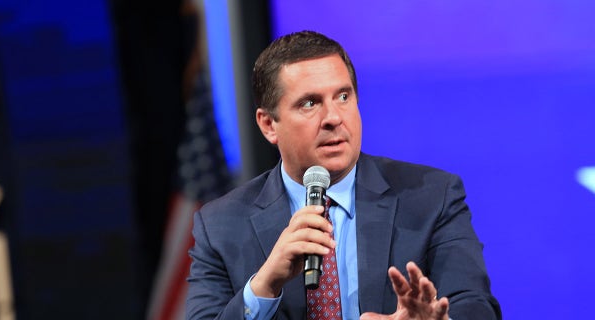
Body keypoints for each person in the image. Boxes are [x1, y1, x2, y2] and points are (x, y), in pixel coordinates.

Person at [185, 30, 501, 320]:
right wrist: (264, 286)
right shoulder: (220, 225)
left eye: (343, 96)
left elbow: (475, 306)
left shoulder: (433, 197)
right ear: (269, 124)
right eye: (310, 103)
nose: (334, 117)